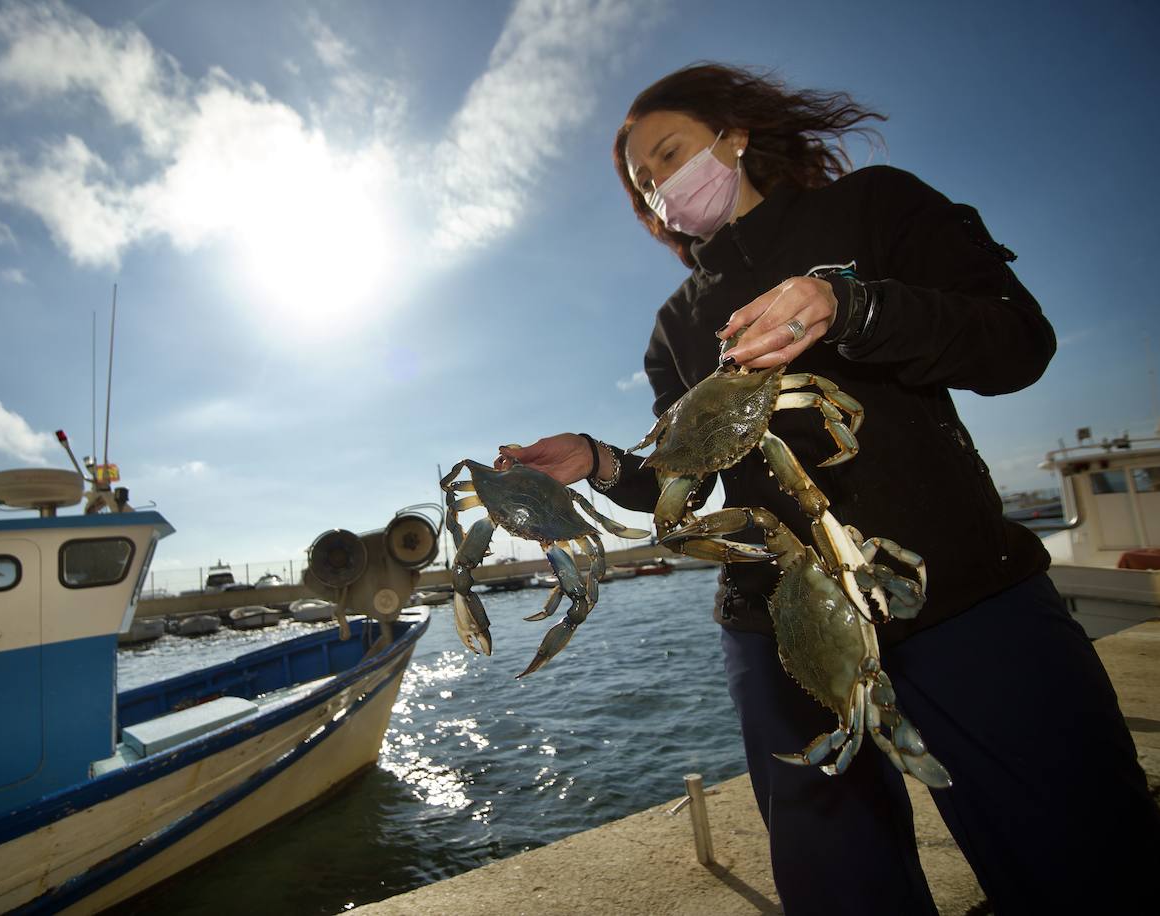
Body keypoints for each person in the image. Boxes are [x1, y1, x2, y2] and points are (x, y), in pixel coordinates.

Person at [496, 63, 1160, 915]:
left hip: (960, 597)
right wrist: (596, 460)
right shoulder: (677, 324)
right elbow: (681, 484)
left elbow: (1016, 342)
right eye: (644, 182)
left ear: (734, 134)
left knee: (1087, 855)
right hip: (777, 629)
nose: (661, 185)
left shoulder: (874, 207)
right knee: (840, 890)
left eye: (669, 154)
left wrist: (851, 307)